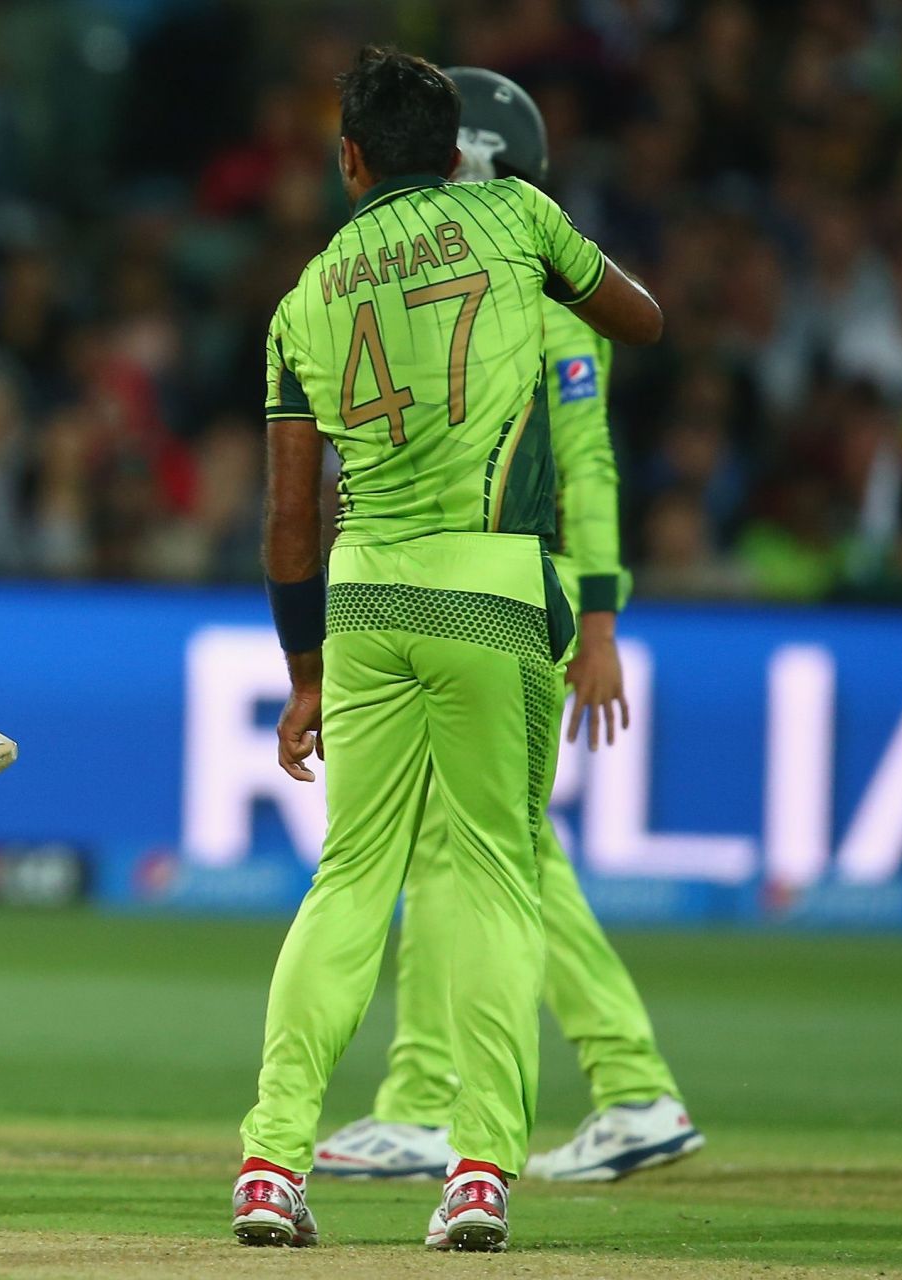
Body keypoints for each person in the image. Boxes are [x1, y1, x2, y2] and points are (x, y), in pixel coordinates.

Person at [231, 47, 662, 1253]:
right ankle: (476, 1171)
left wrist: (304, 671)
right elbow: (644, 317)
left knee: (349, 882)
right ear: (454, 148)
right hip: (493, 589)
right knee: (490, 877)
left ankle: (270, 1161)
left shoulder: (306, 296)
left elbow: (284, 517)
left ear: (351, 159)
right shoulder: (518, 213)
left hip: (363, 598)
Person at [313, 67, 703, 1187]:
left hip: (503, 593)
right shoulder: (523, 282)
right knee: (504, 848)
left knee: (470, 848)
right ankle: (617, 1086)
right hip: (494, 594)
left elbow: (585, 462)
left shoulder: (535, 294)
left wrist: (599, 614)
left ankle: (447, 1101)